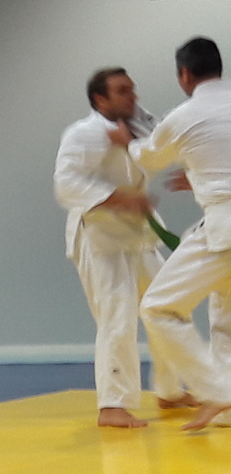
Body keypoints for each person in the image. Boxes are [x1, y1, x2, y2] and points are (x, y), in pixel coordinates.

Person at [55, 68, 195, 428]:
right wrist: (121, 199)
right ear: (100, 99)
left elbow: (165, 146)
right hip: (101, 238)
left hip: (138, 236)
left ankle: (169, 390)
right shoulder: (82, 134)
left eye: (132, 89)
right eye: (121, 91)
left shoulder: (140, 126)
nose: (131, 96)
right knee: (117, 317)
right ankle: (112, 405)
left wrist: (193, 172)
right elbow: (66, 185)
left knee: (168, 306)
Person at [110, 37, 231, 430]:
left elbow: (151, 156)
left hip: (224, 228)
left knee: (158, 307)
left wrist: (129, 143)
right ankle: (227, 404)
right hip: (221, 220)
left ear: (184, 74)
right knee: (225, 315)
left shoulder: (184, 115)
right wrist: (200, 177)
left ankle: (218, 392)